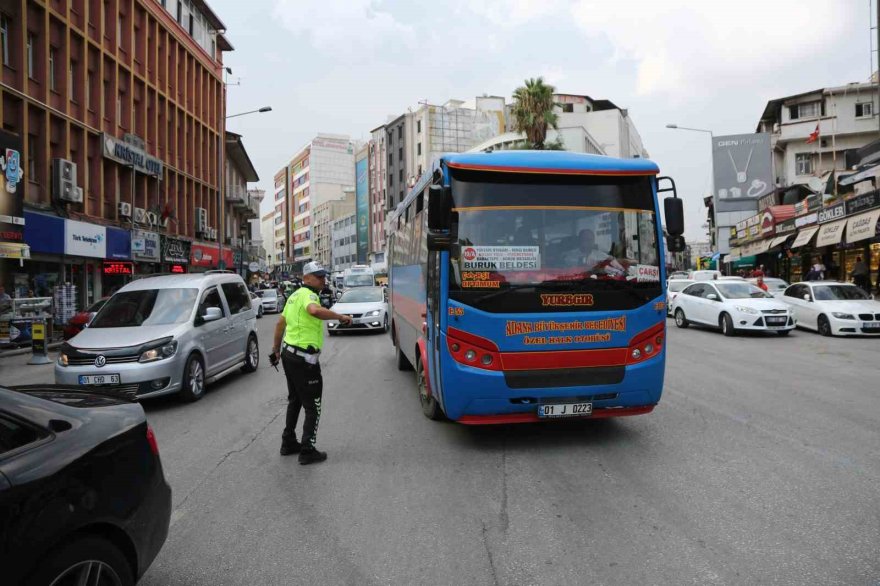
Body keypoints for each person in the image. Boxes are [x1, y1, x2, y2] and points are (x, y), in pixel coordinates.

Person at [271, 261, 352, 465]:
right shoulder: (309, 295)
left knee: (295, 400)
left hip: (289, 355)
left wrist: (275, 351)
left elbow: (280, 323)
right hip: (304, 361)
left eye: (324, 276)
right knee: (313, 406)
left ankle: (288, 442)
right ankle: (307, 450)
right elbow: (314, 311)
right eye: (318, 276)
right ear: (306, 278)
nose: (322, 279)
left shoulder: (293, 297)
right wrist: (340, 316)